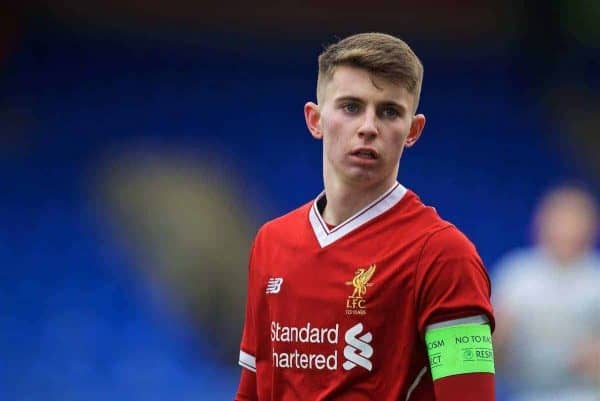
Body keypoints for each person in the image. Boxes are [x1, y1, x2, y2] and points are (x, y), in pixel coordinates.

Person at [234, 32, 496, 401]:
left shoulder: (445, 256)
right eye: (351, 107)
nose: (369, 127)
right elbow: (252, 392)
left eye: (389, 111)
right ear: (315, 119)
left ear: (413, 131)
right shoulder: (271, 242)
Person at [493, 185, 600, 401]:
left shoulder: (595, 278)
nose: (566, 229)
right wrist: (496, 336)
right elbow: (489, 352)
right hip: (526, 392)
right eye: (559, 219)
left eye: (575, 220)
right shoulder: (515, 276)